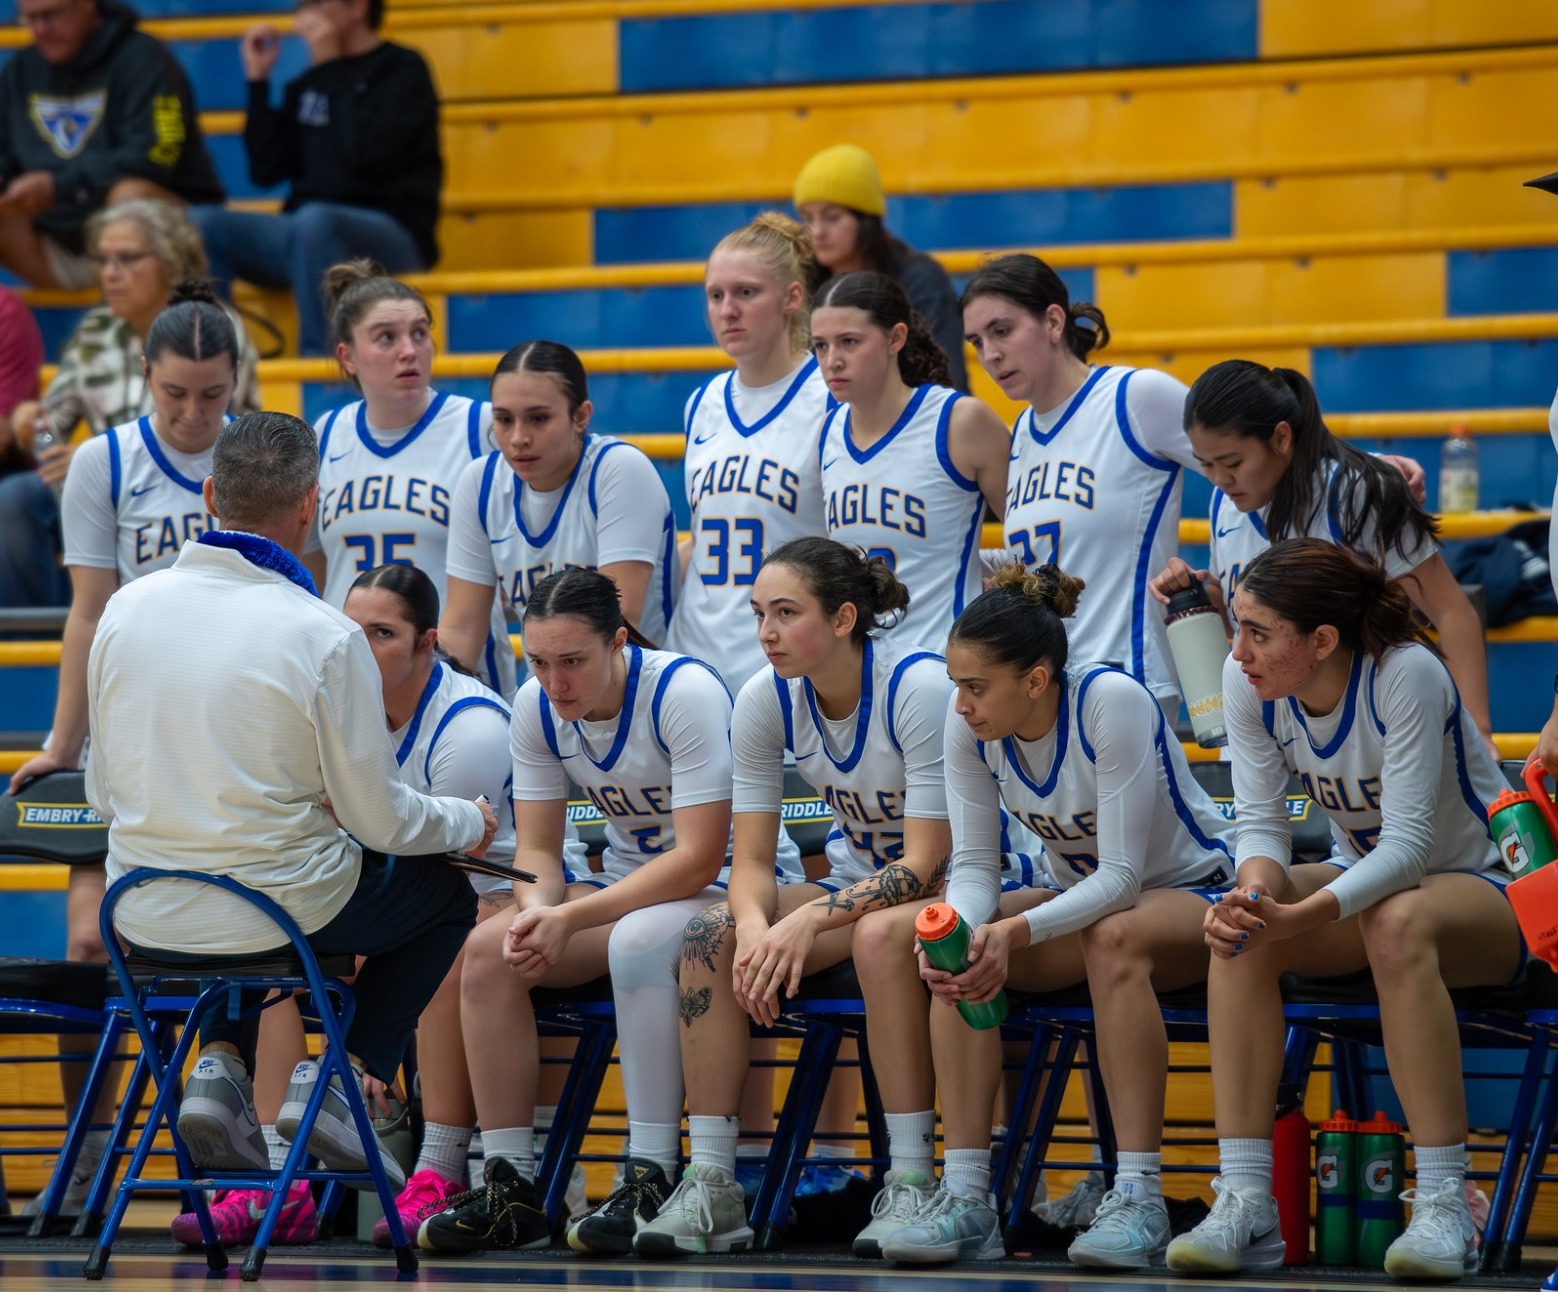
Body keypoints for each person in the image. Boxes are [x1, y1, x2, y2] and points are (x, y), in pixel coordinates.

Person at [84, 410, 497, 1191]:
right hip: (276, 911)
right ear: (312, 504)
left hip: (140, 913)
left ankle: (218, 1065)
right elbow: (379, 819)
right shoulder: (321, 633)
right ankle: (347, 1077)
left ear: (210, 495)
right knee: (442, 895)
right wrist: (466, 820)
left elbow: (105, 793)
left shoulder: (122, 611)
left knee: (234, 900)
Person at [1162, 538, 1517, 1281]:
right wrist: (1260, 896)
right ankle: (1249, 1199)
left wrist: (1308, 913)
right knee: (1241, 925)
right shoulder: (1244, 678)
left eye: (1259, 632)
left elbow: (1412, 849)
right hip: (1372, 883)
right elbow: (1261, 824)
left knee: (1396, 918)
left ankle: (1448, 1202)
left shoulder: (1406, 673)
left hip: (1487, 886)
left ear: (1322, 640)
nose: (1239, 649)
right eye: (1239, 629)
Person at [868, 561, 1233, 1267]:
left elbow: (1125, 877)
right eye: (957, 687)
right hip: (1082, 906)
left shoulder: (1111, 701)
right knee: (956, 954)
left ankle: (1137, 1196)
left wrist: (1015, 928)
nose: (962, 704)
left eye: (976, 687)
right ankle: (970, 1197)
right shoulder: (968, 725)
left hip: (1191, 895)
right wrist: (970, 929)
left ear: (1035, 681)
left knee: (1112, 935)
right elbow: (974, 866)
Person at [165, 562, 518, 1249]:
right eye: (350, 634)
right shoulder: (327, 708)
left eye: (382, 634)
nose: (361, 649)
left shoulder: (468, 727)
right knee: (273, 940)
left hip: (494, 906)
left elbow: (469, 885)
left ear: (427, 643)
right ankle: (279, 1178)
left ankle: (438, 1170)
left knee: (451, 945)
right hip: (386, 912)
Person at [634, 537, 953, 1257]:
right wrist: (753, 924)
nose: (766, 632)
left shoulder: (919, 687)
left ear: (844, 618)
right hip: (857, 884)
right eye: (758, 614)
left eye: (786, 612)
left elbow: (930, 863)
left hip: (960, 886)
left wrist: (806, 918)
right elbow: (747, 861)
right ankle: (715, 1182)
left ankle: (910, 1181)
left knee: (874, 937)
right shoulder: (763, 695)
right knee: (709, 937)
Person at [416, 567, 736, 1254]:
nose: (555, 681)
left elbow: (700, 859)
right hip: (623, 888)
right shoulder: (534, 706)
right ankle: (510, 1185)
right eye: (539, 662)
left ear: (618, 642)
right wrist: (537, 911)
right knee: (489, 951)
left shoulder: (684, 691)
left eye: (573, 662)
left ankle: (649, 1172)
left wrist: (570, 917)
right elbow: (536, 850)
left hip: (723, 892)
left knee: (637, 939)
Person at [1149, 359, 1494, 752]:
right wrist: (1193, 595)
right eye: (1205, 464)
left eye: (1231, 463)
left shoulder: (1356, 491)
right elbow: (1247, 624)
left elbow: (1450, 610)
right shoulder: (1223, 502)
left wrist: (1478, 732)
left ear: (1281, 438)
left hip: (1365, 739)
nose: (1218, 478)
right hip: (1265, 740)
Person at [961, 254, 1198, 719]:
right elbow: (1045, 559)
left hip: (1129, 676)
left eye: (1002, 331)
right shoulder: (1022, 434)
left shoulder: (1135, 397)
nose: (989, 354)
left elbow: (1249, 457)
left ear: (1053, 321)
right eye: (976, 341)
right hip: (1048, 681)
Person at [1, 200, 262, 611]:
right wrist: (34, 428)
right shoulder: (95, 332)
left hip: (199, 486)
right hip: (98, 490)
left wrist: (97, 460)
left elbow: (241, 434)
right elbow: (52, 427)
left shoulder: (212, 329)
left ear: (171, 260)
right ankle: (38, 636)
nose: (109, 273)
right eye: (102, 260)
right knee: (15, 498)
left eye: (126, 259)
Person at [306, 261, 513, 696]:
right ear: (347, 356)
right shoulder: (325, 434)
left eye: (420, 333)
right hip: (351, 684)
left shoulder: (480, 428)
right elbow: (313, 575)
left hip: (459, 681)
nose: (409, 350)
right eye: (387, 338)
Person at [192, 0, 441, 355]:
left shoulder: (402, 70)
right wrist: (258, 81)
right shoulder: (312, 81)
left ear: (357, 8)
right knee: (201, 224)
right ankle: (215, 360)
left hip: (392, 234)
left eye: (317, 2)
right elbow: (265, 170)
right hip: (307, 237)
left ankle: (321, 365)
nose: (306, 12)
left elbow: (364, 158)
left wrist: (330, 68)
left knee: (315, 221)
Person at [665, 212, 829, 694]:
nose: (727, 310)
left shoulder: (831, 399)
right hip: (696, 661)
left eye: (745, 293)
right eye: (715, 295)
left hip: (784, 664)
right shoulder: (702, 403)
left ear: (791, 298)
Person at [438, 341, 678, 668]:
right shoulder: (480, 483)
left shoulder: (619, 470)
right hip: (548, 690)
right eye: (504, 419)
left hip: (639, 691)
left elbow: (618, 624)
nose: (518, 437)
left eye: (538, 418)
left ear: (581, 416)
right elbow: (461, 629)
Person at [813, 271, 1009, 653]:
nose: (832, 360)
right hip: (860, 672)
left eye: (849, 342)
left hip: (946, 670)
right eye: (820, 346)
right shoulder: (826, 432)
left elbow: (1032, 539)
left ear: (895, 338)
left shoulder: (960, 421)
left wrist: (984, 572)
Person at [0, 0, 222, 289]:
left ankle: (141, 325)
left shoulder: (146, 59)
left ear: (87, 5)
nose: (41, 29)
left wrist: (60, 187)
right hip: (61, 246)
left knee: (130, 196)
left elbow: (154, 157)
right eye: (29, 19)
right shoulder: (19, 70)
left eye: (52, 15)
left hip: (161, 239)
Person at [794, 144, 966, 391]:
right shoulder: (806, 284)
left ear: (865, 221)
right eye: (808, 219)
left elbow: (946, 376)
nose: (817, 231)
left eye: (832, 217)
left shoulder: (919, 279)